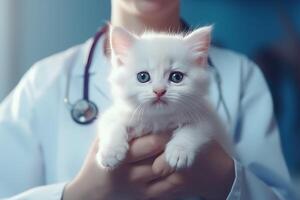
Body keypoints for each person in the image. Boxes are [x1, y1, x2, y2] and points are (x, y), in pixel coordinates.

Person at [0, 0, 296, 199]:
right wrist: (78, 193)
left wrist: (225, 177)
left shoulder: (242, 76)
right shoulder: (42, 82)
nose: (157, 88)